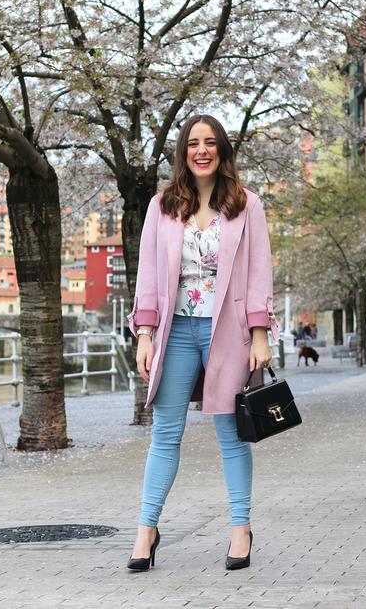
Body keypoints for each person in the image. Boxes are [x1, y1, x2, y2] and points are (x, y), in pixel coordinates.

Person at [126, 114, 279, 572]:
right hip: (176, 333)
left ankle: (240, 528)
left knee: (232, 434)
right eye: (193, 143)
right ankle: (146, 529)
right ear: (183, 152)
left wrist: (259, 334)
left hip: (227, 332)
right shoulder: (162, 206)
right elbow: (149, 275)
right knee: (165, 433)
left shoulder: (246, 205)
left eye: (211, 142)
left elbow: (258, 272)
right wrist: (145, 335)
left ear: (223, 150)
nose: (202, 150)